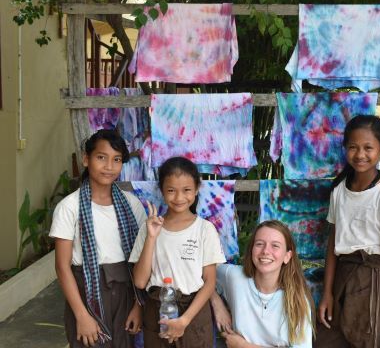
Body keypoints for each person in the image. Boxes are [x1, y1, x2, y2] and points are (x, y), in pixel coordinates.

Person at [315, 114, 380, 348]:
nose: (360, 155)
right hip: (344, 275)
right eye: (353, 147)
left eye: (368, 148)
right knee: (328, 339)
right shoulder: (339, 191)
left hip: (375, 280)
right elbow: (333, 245)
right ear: (345, 148)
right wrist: (327, 293)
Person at [50, 129, 146, 347]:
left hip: (126, 290)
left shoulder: (132, 205)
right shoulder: (69, 207)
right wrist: (82, 316)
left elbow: (143, 259)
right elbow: (62, 268)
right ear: (86, 159)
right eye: (101, 157)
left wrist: (138, 306)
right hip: (86, 291)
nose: (109, 166)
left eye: (117, 160)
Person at [129, 157, 226, 347]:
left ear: (197, 189)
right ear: (162, 191)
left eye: (187, 190)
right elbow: (140, 282)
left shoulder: (205, 229)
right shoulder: (149, 229)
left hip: (194, 313)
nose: (179, 198)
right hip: (157, 312)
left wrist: (184, 320)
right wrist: (151, 237)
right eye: (171, 190)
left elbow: (210, 282)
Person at [210, 220, 314, 347]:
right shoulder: (234, 277)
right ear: (251, 250)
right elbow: (200, 270)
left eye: (275, 246)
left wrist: (243, 346)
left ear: (287, 256)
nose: (265, 251)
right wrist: (216, 302)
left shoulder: (297, 299)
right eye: (259, 244)